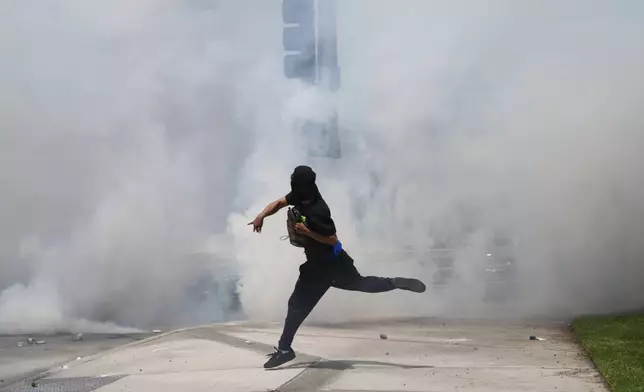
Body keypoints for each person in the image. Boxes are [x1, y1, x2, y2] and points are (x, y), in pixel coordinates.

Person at [248, 165, 426, 369]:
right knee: (362, 283)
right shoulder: (303, 194)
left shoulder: (318, 211)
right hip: (338, 262)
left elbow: (333, 239)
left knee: (296, 306)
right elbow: (279, 203)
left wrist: (307, 231)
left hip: (320, 267)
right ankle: (394, 283)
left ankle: (285, 350)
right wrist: (261, 215)